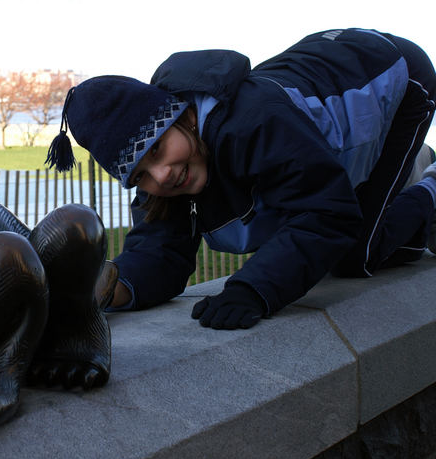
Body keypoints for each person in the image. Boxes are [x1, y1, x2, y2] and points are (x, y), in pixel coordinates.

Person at [46, 28, 436, 330]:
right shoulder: (168, 174)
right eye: (140, 175)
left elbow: (326, 213)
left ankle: (430, 185)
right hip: (312, 112)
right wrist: (112, 288)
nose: (161, 175)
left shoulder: (253, 122)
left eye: (157, 151)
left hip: (390, 73)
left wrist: (253, 288)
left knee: (356, 255)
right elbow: (159, 252)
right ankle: (407, 194)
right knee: (394, 248)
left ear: (183, 117)